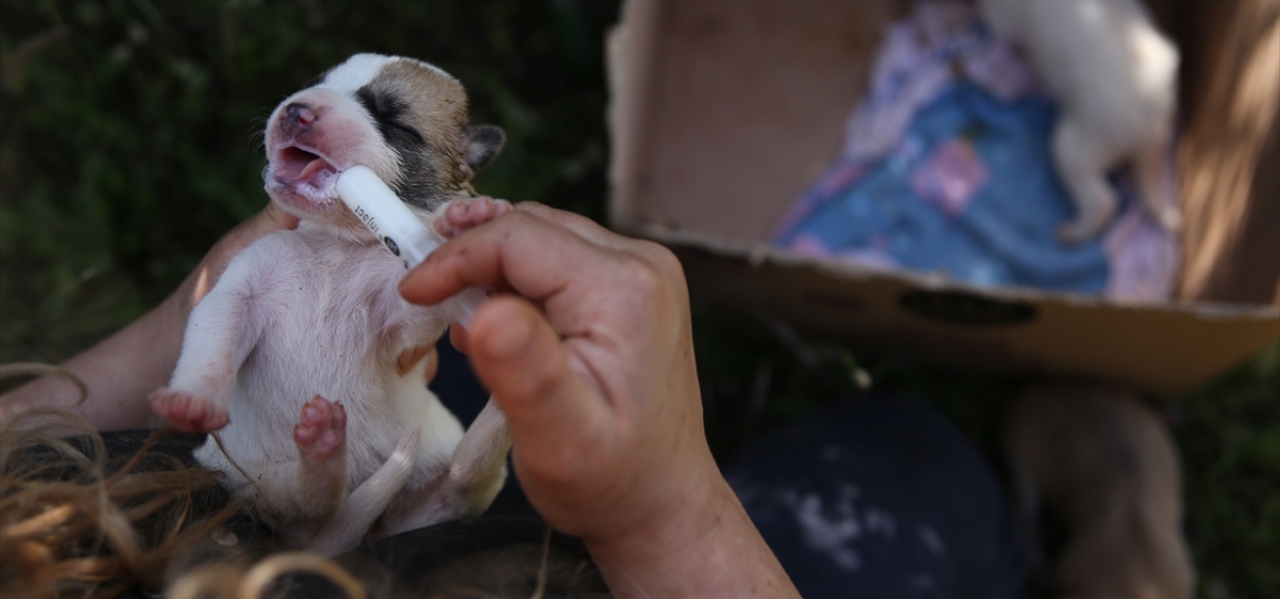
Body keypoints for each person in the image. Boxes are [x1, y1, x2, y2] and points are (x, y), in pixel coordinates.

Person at [1, 201, 804, 598]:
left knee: (443, 362)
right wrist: (668, 520)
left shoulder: (28, 509)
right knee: (898, 456)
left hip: (281, 455)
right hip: (469, 520)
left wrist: (195, 335)